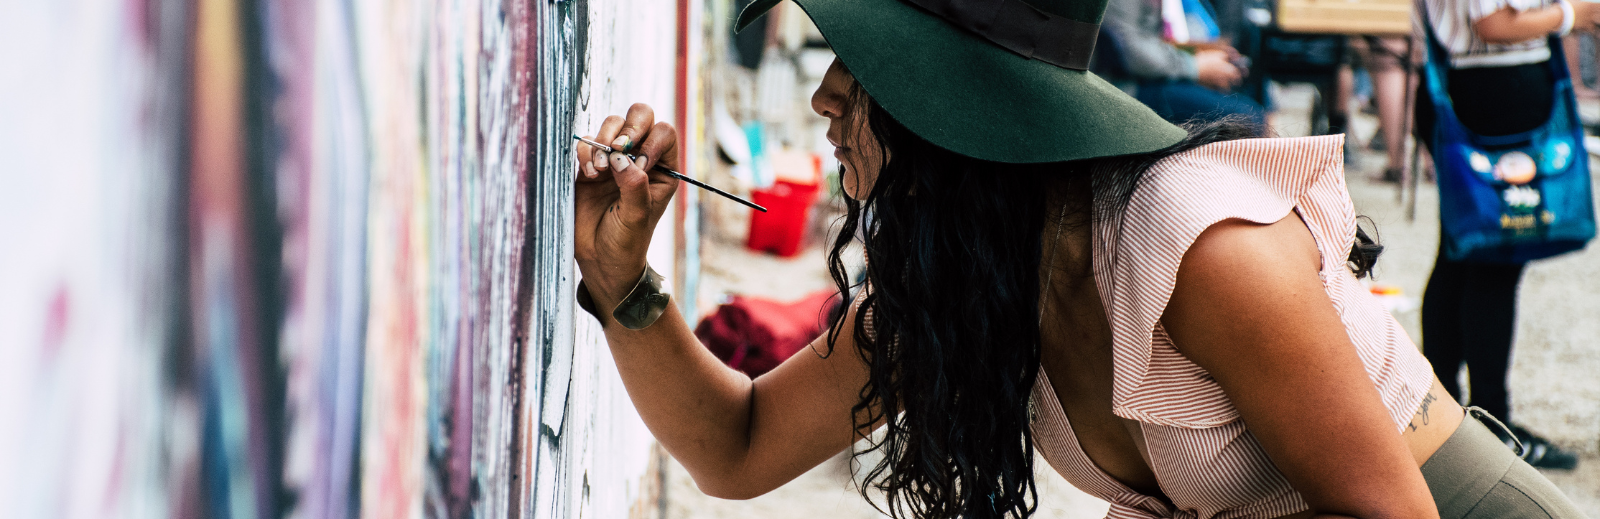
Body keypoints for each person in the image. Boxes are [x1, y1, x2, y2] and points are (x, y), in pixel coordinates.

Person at [572, 0, 1587, 515]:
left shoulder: (1198, 240)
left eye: (865, 62)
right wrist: (624, 283)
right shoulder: (980, 275)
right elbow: (738, 448)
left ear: (956, 97)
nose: (825, 96)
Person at [1415, 0, 1600, 471]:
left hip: (1481, 85)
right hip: (1495, 89)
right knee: (1492, 264)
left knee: (1462, 256)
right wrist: (1571, 16)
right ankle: (1489, 426)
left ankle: (1450, 420)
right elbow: (1493, 23)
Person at [1101, 0, 1267, 129]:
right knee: (1248, 118)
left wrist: (1205, 55)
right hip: (1124, 88)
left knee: (1247, 98)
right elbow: (1128, 51)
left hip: (1146, 79)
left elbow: (1154, 40)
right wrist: (1196, 67)